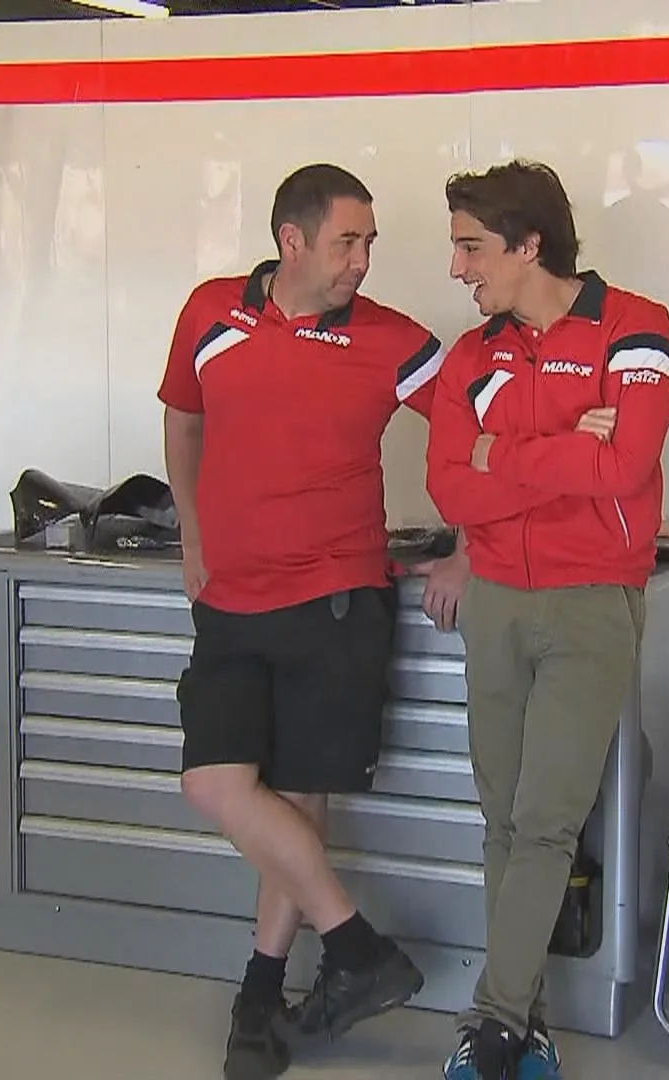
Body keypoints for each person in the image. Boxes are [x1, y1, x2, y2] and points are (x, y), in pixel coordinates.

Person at [157, 162, 471, 1080]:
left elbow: (479, 427)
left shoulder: (393, 340)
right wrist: (192, 532)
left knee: (295, 804)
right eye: (348, 241)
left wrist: (473, 547)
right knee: (216, 784)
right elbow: (183, 419)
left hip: (334, 602)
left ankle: (259, 998)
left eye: (369, 242)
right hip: (230, 600)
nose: (363, 260)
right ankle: (356, 949)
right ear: (291, 240)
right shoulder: (211, 312)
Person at [424, 160, 669, 1080]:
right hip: (494, 601)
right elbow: (447, 485)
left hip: (590, 605)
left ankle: (492, 1029)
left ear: (529, 245)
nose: (458, 268)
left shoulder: (634, 327)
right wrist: (564, 451)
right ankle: (527, 1032)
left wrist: (502, 455)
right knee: (502, 821)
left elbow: (625, 467)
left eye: (472, 247)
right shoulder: (471, 356)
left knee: (542, 823)